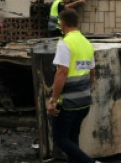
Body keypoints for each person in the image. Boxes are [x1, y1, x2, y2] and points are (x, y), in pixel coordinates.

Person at [46, 8, 103, 163]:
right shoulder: (86, 43)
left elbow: (62, 72)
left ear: (62, 23)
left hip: (68, 104)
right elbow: (92, 73)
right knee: (72, 140)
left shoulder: (65, 43)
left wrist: (53, 100)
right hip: (84, 102)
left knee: (60, 139)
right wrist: (86, 91)